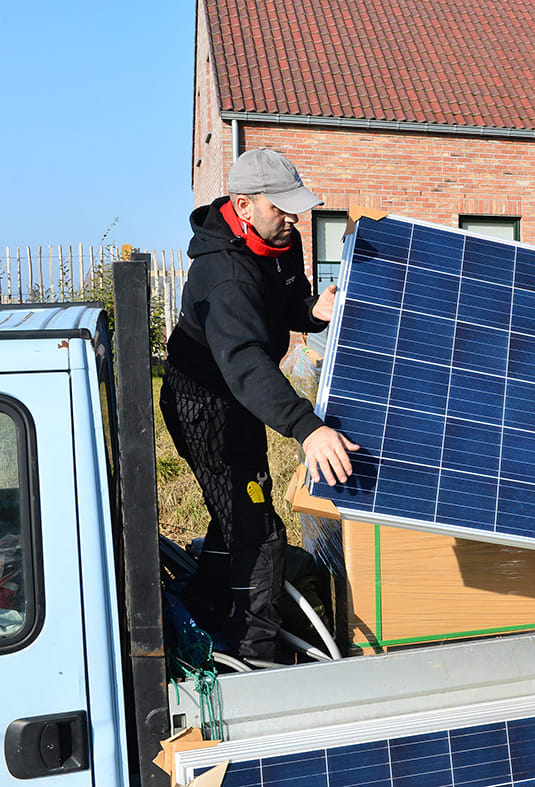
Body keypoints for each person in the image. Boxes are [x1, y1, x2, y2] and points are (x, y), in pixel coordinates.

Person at [160, 148, 358, 662]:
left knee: (241, 511)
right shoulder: (223, 275)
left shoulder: (280, 240)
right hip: (203, 407)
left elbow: (291, 306)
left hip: (240, 400)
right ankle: (255, 656)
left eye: (297, 205)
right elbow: (246, 362)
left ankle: (204, 605)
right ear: (244, 206)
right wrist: (306, 427)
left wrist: (317, 310)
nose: (294, 218)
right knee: (260, 532)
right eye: (281, 207)